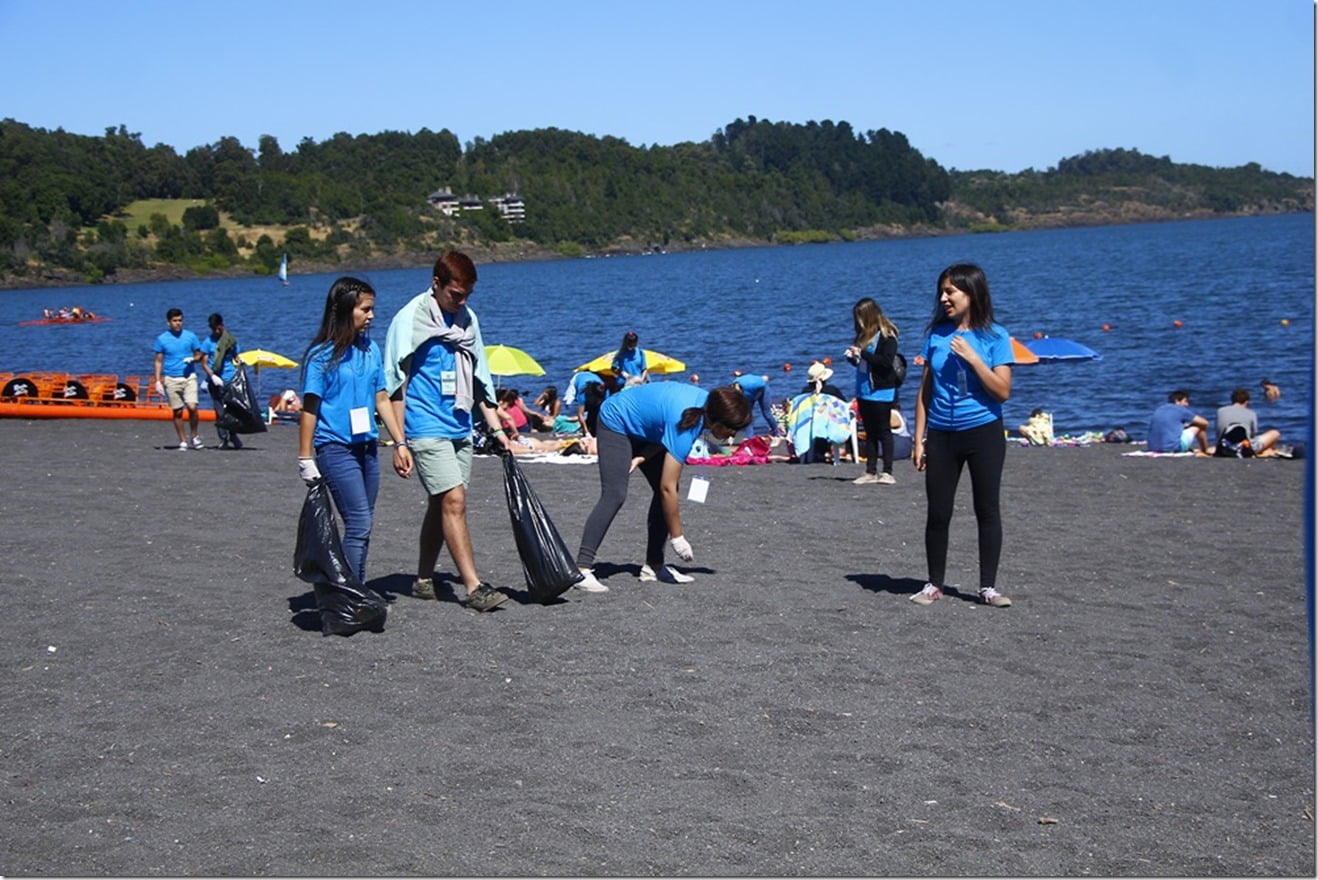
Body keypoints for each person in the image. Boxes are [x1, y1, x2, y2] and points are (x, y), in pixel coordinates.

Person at [384, 250, 511, 612]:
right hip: (424, 425)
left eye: (468, 294)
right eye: (456, 294)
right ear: (436, 284)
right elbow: (395, 385)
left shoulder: (467, 319)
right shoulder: (409, 320)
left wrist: (497, 429)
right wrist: (399, 441)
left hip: (459, 424)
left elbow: (479, 376)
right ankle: (473, 588)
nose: (462, 301)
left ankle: (424, 580)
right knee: (454, 500)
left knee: (441, 503)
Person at [573, 384, 752, 592]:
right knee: (615, 494)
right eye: (731, 428)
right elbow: (668, 487)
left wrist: (642, 456)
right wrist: (678, 538)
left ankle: (654, 566)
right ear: (718, 420)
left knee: (663, 492)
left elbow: (665, 431)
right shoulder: (689, 419)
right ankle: (582, 570)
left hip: (645, 429)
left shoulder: (703, 409)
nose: (732, 435)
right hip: (616, 420)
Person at [911, 263, 1016, 608]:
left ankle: (988, 587)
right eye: (941, 292)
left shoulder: (995, 336)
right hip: (942, 434)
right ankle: (934, 584)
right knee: (938, 511)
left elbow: (1002, 391)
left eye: (950, 292)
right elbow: (925, 392)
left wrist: (974, 360)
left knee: (986, 508)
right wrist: (918, 439)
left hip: (984, 431)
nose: (943, 298)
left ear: (971, 293)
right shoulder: (936, 335)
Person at [297, 277, 412, 584]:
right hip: (335, 448)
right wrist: (305, 457)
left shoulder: (370, 349)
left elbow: (382, 398)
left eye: (372, 309)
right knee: (359, 523)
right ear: (346, 310)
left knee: (362, 525)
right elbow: (310, 408)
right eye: (365, 309)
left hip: (367, 448)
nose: (371, 316)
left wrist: (400, 442)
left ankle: (354, 589)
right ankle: (349, 593)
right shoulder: (320, 356)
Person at [844, 297, 902, 485]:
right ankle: (870, 471)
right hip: (863, 390)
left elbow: (885, 362)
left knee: (883, 430)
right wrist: (853, 357)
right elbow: (863, 363)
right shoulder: (863, 336)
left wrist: (863, 354)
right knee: (869, 431)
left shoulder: (887, 336)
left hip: (881, 390)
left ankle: (887, 471)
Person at [152, 308, 205, 450]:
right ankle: (182, 440)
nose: (178, 323)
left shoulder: (190, 336)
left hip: (189, 376)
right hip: (171, 378)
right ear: (168, 322)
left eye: (180, 320)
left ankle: (194, 436)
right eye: (175, 321)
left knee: (192, 407)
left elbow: (200, 355)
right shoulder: (162, 339)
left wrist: (193, 359)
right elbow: (158, 361)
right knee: (178, 411)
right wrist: (157, 381)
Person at [199, 312, 243, 449]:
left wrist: (241, 362)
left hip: (230, 378)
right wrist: (212, 376)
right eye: (213, 329)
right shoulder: (208, 342)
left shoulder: (230, 340)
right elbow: (204, 363)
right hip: (215, 379)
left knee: (233, 410)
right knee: (220, 412)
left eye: (217, 328)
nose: (215, 331)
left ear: (222, 326)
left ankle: (234, 435)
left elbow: (236, 356)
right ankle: (223, 439)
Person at [1215, 387, 1281, 456]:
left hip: (1223, 447)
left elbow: (1218, 432)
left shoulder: (1220, 411)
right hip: (1244, 448)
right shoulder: (1251, 413)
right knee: (1275, 433)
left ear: (1232, 400)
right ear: (1247, 402)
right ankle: (1265, 451)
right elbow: (1252, 435)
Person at [1146, 390, 1211, 454]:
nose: (1187, 404)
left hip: (1152, 447)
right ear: (1177, 401)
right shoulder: (1180, 410)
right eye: (1185, 401)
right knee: (1198, 426)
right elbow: (1205, 423)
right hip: (1173, 448)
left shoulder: (1160, 409)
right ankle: (1205, 450)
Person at [731, 371, 782, 437]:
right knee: (747, 415)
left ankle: (776, 433)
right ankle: (750, 436)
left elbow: (764, 379)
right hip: (749, 396)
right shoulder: (734, 387)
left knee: (767, 413)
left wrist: (757, 395)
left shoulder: (752, 384)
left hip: (763, 391)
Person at [564, 370, 607, 436]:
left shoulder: (605, 391)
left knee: (596, 410)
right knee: (584, 408)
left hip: (592, 377)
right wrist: (586, 432)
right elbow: (580, 414)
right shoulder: (582, 394)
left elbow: (605, 409)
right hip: (578, 377)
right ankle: (587, 428)